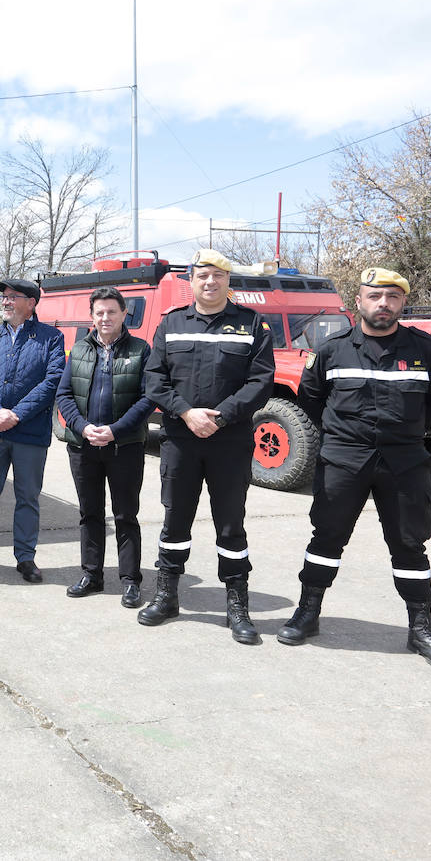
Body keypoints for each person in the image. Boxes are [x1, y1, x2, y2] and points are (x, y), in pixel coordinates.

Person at [278, 268, 431, 671]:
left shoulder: (426, 350)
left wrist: (405, 433)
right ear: (358, 301)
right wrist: (344, 435)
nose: (384, 304)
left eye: (393, 297)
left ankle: (421, 628)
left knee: (409, 543)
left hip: (404, 461)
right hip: (345, 458)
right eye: (375, 296)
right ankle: (307, 614)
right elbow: (311, 399)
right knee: (326, 538)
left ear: (402, 304)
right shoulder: (331, 349)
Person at [140, 249, 274, 643]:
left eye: (218, 275)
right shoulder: (171, 323)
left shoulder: (252, 324)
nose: (210, 282)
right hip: (181, 440)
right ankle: (166, 597)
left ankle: (237, 607)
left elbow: (260, 382)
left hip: (229, 441)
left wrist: (220, 415)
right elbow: (154, 380)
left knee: (230, 525)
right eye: (202, 275)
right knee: (175, 521)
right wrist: (186, 413)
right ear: (192, 280)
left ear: (228, 281)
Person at [55, 287, 155, 606]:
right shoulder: (79, 350)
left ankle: (129, 580)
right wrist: (82, 428)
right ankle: (92, 575)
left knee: (126, 514)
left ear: (124, 314)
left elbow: (147, 397)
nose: (105, 317)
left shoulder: (141, 350)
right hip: (83, 448)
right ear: (91, 316)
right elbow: (63, 395)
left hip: (123, 447)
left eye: (112, 311)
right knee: (90, 513)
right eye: (99, 312)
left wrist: (115, 431)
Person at [0, 278, 66, 583]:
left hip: (29, 434)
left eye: (13, 296)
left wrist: (17, 414)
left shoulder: (51, 338)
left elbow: (52, 381)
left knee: (28, 496)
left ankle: (25, 557)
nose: (6, 301)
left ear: (31, 303)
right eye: (4, 297)